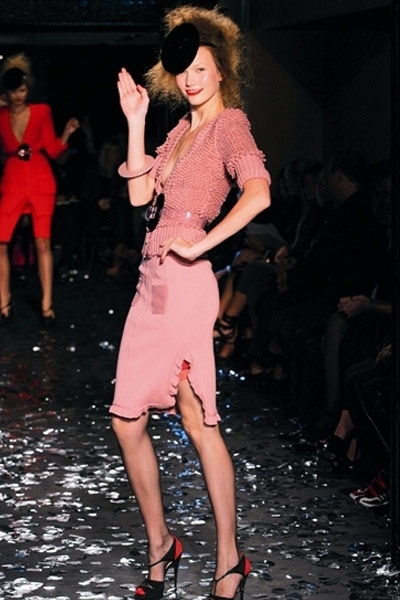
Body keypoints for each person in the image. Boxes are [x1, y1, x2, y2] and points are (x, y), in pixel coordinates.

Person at [109, 6, 271, 600]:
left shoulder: (230, 126)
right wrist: (136, 120)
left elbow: (258, 193)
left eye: (202, 68)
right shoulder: (180, 130)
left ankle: (229, 561)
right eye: (183, 71)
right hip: (149, 284)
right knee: (126, 420)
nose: (192, 79)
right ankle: (161, 545)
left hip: (185, 287)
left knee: (198, 423)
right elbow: (138, 197)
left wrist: (201, 243)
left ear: (221, 69)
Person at [0, 53, 79, 325]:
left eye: (22, 90)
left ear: (28, 89)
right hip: (12, 181)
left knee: (42, 242)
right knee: (1, 242)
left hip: (40, 180)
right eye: (13, 91)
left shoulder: (41, 111)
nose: (18, 96)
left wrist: (66, 134)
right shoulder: (1, 115)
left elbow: (53, 151)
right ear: (7, 92)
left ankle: (47, 306)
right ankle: (4, 303)